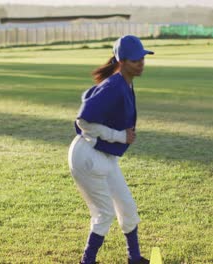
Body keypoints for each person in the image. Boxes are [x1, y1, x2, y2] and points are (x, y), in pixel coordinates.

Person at [68, 35, 154, 264]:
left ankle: (134, 257)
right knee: (104, 213)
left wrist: (119, 138)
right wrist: (119, 136)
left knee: (127, 206)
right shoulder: (113, 85)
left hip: (103, 156)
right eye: (136, 60)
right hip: (87, 157)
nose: (141, 63)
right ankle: (87, 261)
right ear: (122, 61)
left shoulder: (124, 82)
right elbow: (83, 121)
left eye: (143, 58)